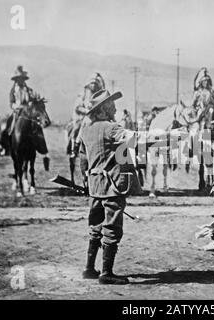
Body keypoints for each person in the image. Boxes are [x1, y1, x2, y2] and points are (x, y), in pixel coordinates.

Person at [78, 89, 142, 284]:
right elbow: (137, 139)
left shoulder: (85, 130)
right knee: (112, 228)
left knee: (95, 226)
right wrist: (169, 137)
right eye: (111, 104)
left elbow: (83, 159)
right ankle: (107, 273)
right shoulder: (111, 128)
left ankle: (89, 269)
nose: (115, 107)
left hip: (95, 186)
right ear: (104, 109)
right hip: (112, 186)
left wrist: (86, 180)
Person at [0, 66, 50, 169]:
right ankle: (6, 146)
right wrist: (17, 107)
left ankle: (44, 151)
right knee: (8, 126)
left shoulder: (29, 90)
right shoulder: (13, 90)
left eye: (22, 78)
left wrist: (32, 104)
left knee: (38, 129)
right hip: (18, 112)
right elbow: (11, 103)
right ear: (16, 80)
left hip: (28, 113)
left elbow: (32, 100)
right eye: (18, 78)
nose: (20, 80)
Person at [69, 73, 106, 158]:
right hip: (83, 118)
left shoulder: (100, 95)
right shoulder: (83, 94)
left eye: (95, 84)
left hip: (98, 118)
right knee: (78, 128)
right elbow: (77, 107)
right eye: (92, 83)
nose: (93, 85)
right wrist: (87, 111)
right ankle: (75, 146)